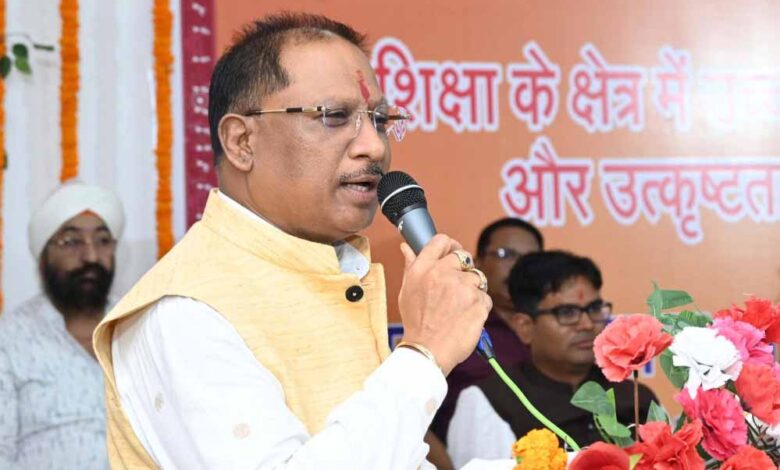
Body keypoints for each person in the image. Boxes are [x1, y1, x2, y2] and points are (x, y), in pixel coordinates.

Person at [91, 12, 491, 470]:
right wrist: (424, 354)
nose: (375, 147)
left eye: (380, 120)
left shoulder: (332, 270)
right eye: (335, 116)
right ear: (242, 142)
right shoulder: (183, 311)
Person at [447, 250, 657, 467]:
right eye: (567, 313)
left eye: (594, 309)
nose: (587, 324)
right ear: (525, 326)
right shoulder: (489, 401)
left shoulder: (637, 397)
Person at [0, 181, 124, 469]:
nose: (91, 256)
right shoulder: (9, 339)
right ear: (43, 259)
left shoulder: (138, 327)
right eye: (71, 242)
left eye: (102, 241)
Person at [430, 217, 543, 443]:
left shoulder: (557, 326)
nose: (519, 266)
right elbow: (414, 414)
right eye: (506, 254)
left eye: (531, 258)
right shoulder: (450, 324)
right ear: (479, 262)